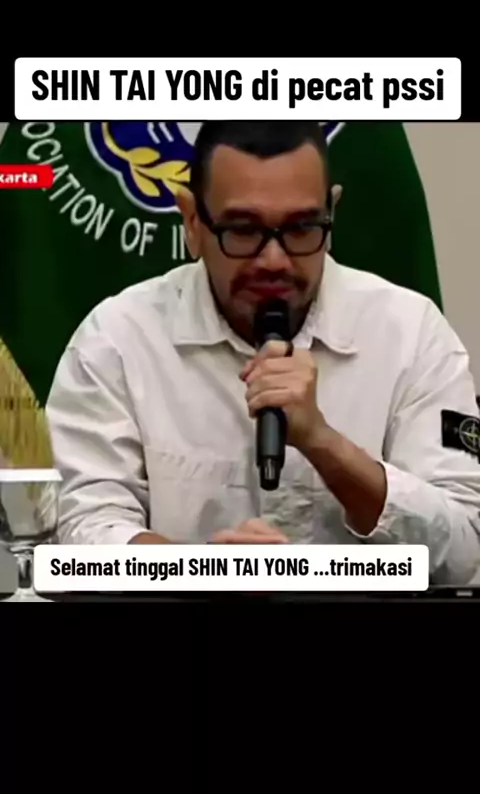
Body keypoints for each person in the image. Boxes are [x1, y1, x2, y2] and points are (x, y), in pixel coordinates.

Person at [45, 121, 480, 584]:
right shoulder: (116, 339)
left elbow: (465, 550)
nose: (274, 260)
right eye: (243, 230)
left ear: (330, 214)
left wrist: (325, 444)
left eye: (301, 228)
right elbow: (81, 534)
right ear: (192, 222)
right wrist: (204, 575)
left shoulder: (414, 335)